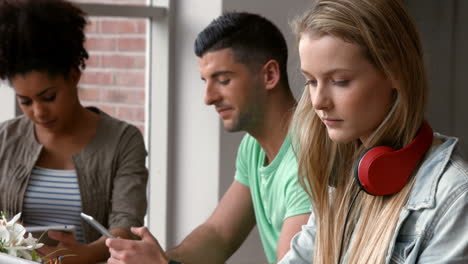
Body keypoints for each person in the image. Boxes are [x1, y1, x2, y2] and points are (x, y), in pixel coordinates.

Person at [106, 12, 311, 264]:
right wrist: (157, 259)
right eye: (205, 81)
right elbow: (217, 236)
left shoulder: (310, 158)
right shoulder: (253, 147)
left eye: (223, 80)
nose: (208, 97)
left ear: (269, 75)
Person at [278, 0, 468, 263]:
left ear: (394, 73)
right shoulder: (340, 180)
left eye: (339, 81)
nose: (318, 101)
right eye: (311, 81)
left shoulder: (455, 196)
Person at [0, 0, 148, 263]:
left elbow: (127, 225)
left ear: (73, 75)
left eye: (49, 97)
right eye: (25, 101)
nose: (38, 112)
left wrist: (87, 254)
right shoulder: (5, 139)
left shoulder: (123, 141)